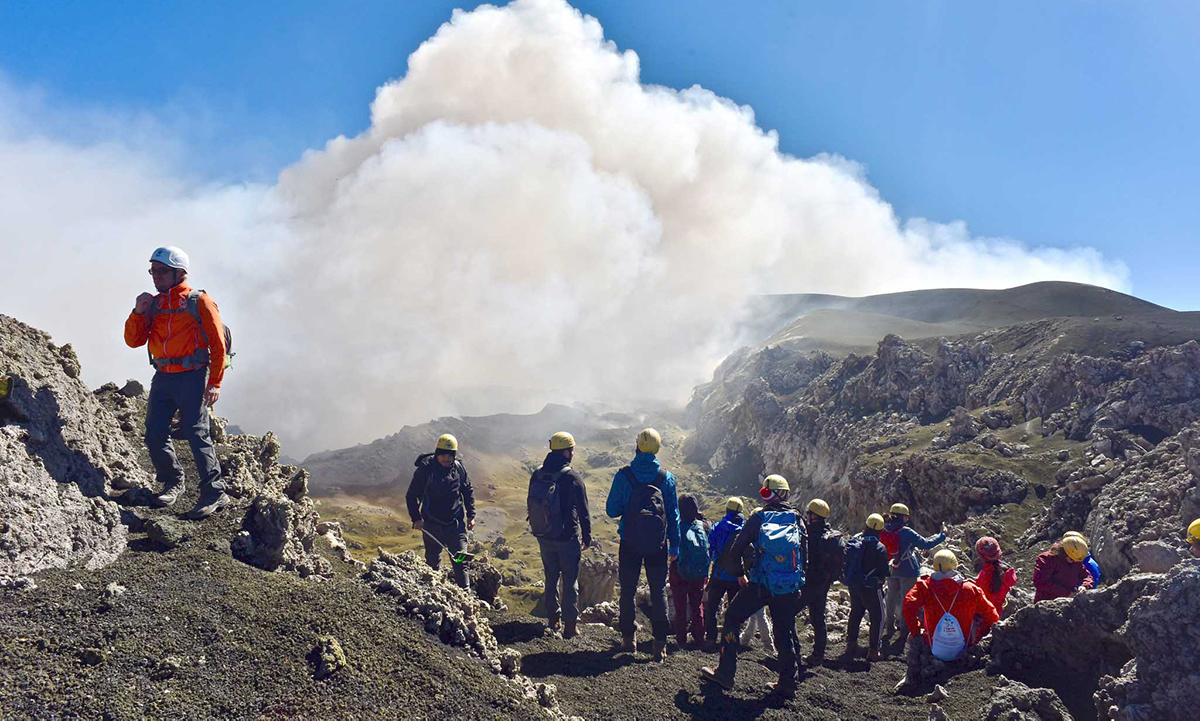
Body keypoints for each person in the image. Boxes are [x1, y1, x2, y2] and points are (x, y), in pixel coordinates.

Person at [124, 246, 231, 519]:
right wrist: (138, 311)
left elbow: (218, 346)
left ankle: (215, 492)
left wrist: (215, 383)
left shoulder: (199, 301)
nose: (155, 276)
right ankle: (173, 482)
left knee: (196, 434)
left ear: (179, 273)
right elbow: (133, 341)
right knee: (154, 433)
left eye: (162, 271)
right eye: (153, 271)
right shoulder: (155, 304)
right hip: (163, 376)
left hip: (193, 376)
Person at [700, 475, 805, 699]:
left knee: (732, 618)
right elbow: (806, 554)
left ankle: (726, 674)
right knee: (784, 630)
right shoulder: (797, 518)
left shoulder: (759, 517)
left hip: (760, 584)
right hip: (788, 586)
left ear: (768, 495)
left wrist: (741, 575)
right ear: (786, 494)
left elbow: (735, 551)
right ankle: (788, 683)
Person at [606, 428, 680, 662]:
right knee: (658, 592)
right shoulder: (666, 478)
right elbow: (674, 514)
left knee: (627, 591)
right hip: (658, 545)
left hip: (629, 542)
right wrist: (675, 546)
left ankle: (629, 639)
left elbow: (611, 510)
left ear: (636, 446)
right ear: (657, 449)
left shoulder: (623, 475)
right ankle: (659, 645)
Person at [895, 550, 999, 692]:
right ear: (955, 565)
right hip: (963, 649)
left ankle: (912, 676)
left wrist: (915, 630)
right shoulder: (970, 589)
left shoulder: (925, 587)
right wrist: (979, 638)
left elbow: (908, 604)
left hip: (933, 648)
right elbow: (992, 616)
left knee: (912, 638)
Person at [527, 431, 592, 638]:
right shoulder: (572, 477)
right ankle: (570, 626)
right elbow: (583, 509)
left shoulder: (537, 474)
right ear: (567, 451)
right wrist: (587, 536)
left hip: (544, 536)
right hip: (567, 538)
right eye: (571, 450)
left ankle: (553, 619)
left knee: (551, 577)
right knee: (569, 579)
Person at [407, 433, 476, 590]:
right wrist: (416, 518)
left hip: (456, 525)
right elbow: (411, 495)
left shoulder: (459, 469)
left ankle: (466, 596)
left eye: (449, 455)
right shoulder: (425, 470)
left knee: (461, 561)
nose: (446, 458)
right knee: (432, 563)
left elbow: (468, 490)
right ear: (437, 453)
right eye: (442, 454)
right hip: (432, 526)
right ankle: (434, 594)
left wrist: (471, 515)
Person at [882, 503, 947, 644]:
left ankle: (889, 625)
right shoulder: (906, 531)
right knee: (907, 600)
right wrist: (942, 535)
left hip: (891, 568)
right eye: (906, 517)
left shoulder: (885, 529)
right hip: (908, 569)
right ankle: (905, 628)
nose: (907, 519)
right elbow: (926, 544)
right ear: (903, 517)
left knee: (891, 596)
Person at [801, 498, 844, 665]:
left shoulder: (810, 535)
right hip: (824, 582)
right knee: (819, 618)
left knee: (789, 614)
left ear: (813, 516)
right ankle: (818, 654)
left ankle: (791, 652)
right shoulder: (830, 535)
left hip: (809, 582)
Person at [842, 513, 891, 661]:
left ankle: (851, 644)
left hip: (854, 585)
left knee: (856, 613)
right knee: (879, 617)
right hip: (871, 588)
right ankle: (874, 651)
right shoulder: (880, 548)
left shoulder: (857, 542)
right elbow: (884, 571)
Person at [704, 497, 746, 650]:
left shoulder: (717, 527)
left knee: (712, 607)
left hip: (719, 575)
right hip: (737, 577)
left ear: (727, 510)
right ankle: (730, 639)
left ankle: (710, 638)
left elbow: (711, 549)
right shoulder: (744, 529)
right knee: (734, 611)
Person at [670, 494, 710, 648]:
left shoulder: (676, 527)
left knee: (680, 605)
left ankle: (681, 638)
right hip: (699, 572)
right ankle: (699, 637)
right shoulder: (704, 526)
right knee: (697, 603)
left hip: (678, 571)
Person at [1032, 536, 1093, 602]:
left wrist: (1084, 586)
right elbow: (1040, 582)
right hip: (1046, 603)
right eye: (1072, 559)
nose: (1074, 561)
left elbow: (1087, 576)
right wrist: (1066, 593)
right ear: (1064, 553)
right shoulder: (1047, 559)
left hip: (1067, 602)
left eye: (1076, 560)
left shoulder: (1075, 562)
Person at [973, 536, 1018, 616]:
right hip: (1000, 613)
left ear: (981, 557)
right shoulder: (1008, 572)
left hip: (986, 616)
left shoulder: (984, 576)